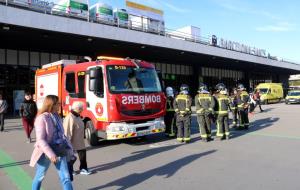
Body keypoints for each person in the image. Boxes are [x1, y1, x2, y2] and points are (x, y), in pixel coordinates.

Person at [30, 95, 73, 190]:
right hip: (45, 151)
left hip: (60, 149)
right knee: (40, 177)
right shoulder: (41, 118)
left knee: (66, 177)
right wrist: (51, 154)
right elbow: (40, 140)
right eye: (58, 104)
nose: (60, 105)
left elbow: (62, 134)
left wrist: (69, 147)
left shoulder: (57, 116)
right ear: (51, 105)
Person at [63, 101, 92, 175]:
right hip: (72, 140)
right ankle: (70, 170)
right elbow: (67, 131)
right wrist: (67, 143)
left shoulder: (77, 115)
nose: (82, 109)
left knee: (82, 154)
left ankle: (83, 168)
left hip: (79, 140)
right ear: (77, 108)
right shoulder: (70, 117)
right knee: (70, 156)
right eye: (81, 108)